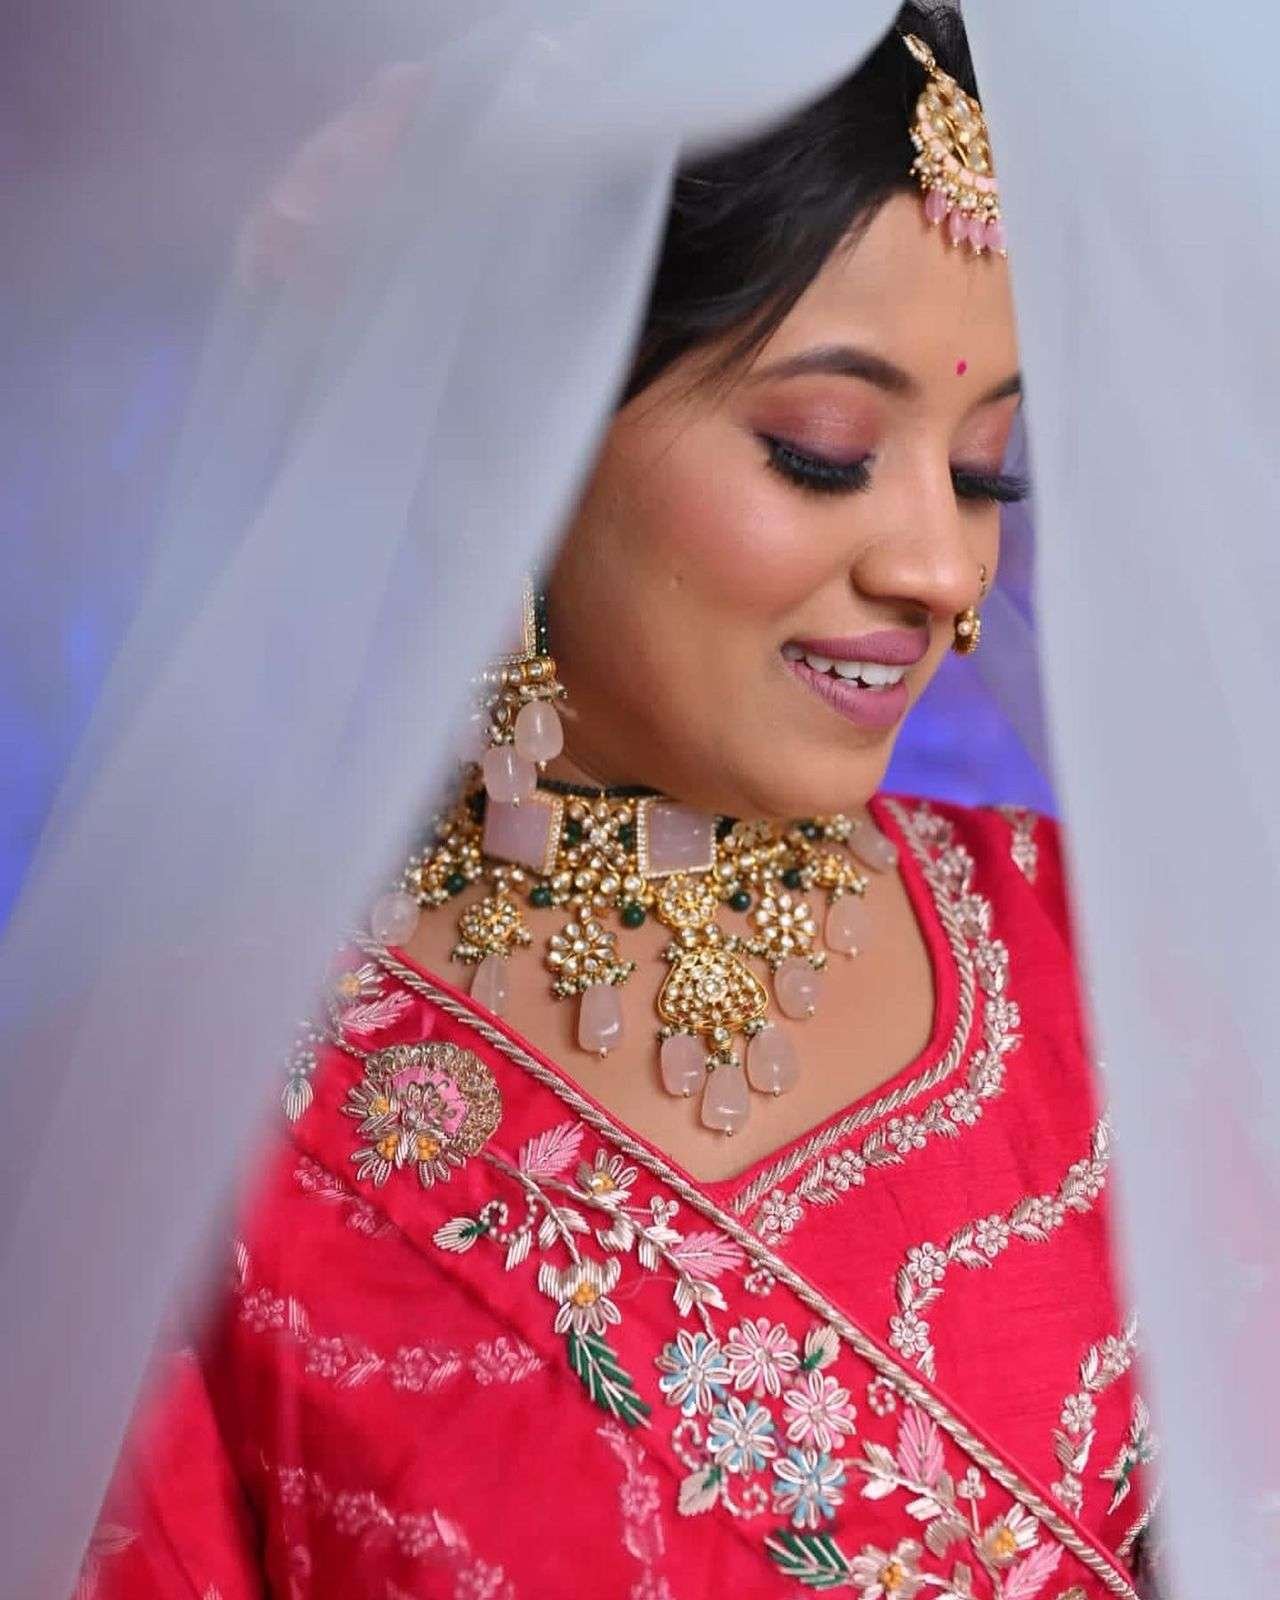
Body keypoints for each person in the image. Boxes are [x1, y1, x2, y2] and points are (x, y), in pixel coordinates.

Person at [80, 7, 1158, 1596]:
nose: (943, 570)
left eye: (986, 472)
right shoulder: (192, 1127)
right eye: (823, 451)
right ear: (514, 428)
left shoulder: (1106, 960)